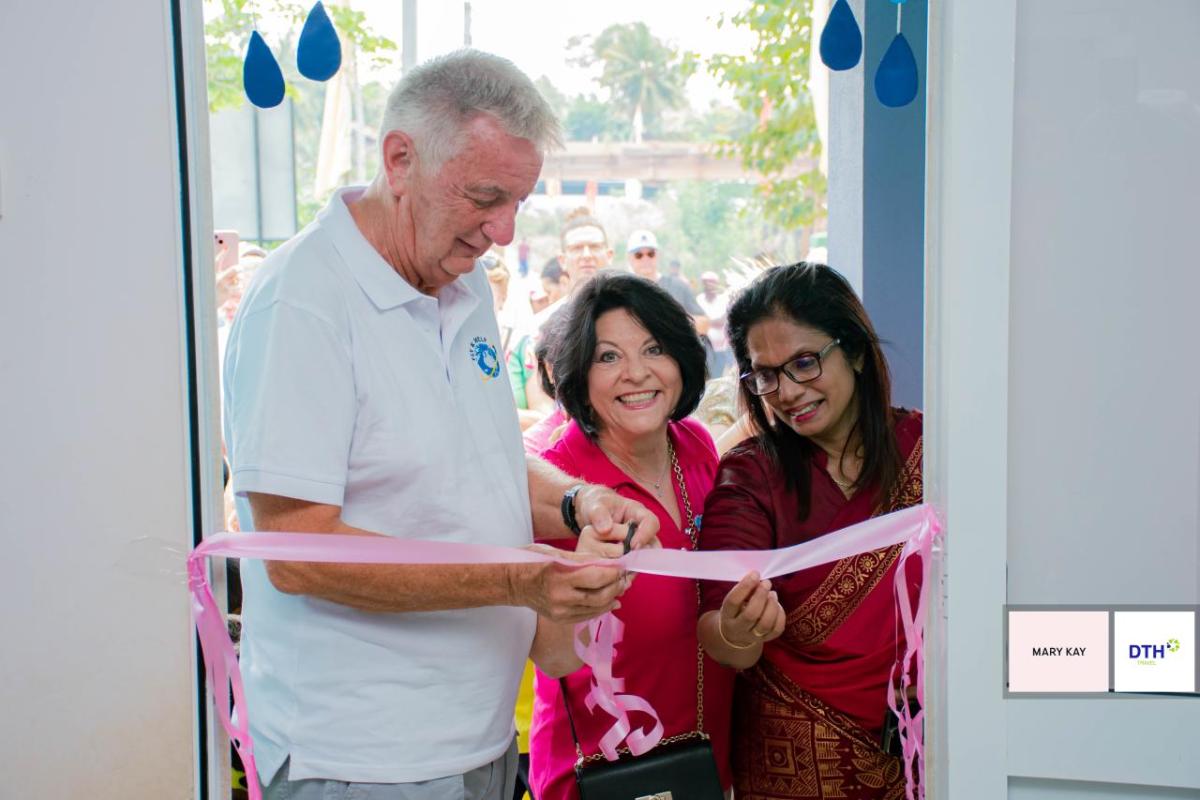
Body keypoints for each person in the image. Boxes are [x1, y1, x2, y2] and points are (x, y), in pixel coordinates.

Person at [223, 49, 661, 800]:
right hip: (367, 757)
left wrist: (575, 502)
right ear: (400, 160)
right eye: (485, 196)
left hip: (478, 736)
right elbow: (296, 550)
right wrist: (524, 581)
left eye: (519, 201)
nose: (502, 230)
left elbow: (479, 459)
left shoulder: (460, 285)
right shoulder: (303, 304)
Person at [527, 273, 784, 800]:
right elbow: (552, 659)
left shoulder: (693, 445)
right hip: (600, 777)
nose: (636, 373)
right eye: (608, 357)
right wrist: (579, 580)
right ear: (576, 373)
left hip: (701, 767)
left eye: (654, 348)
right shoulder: (562, 484)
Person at [696, 262, 924, 800]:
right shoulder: (752, 475)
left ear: (857, 352)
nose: (788, 391)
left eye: (804, 362)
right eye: (766, 375)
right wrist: (737, 630)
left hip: (922, 744)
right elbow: (718, 623)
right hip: (795, 766)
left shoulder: (926, 448)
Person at [625, 229, 709, 336]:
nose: (645, 259)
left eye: (651, 254)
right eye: (638, 255)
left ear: (658, 255)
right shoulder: (623, 292)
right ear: (630, 258)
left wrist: (675, 321)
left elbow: (704, 324)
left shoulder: (679, 286)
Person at [696, 271, 733, 377]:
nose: (709, 286)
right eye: (706, 283)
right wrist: (712, 322)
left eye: (712, 283)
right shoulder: (699, 300)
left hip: (722, 347)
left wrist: (707, 322)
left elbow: (723, 320)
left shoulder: (723, 300)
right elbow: (698, 322)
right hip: (705, 348)